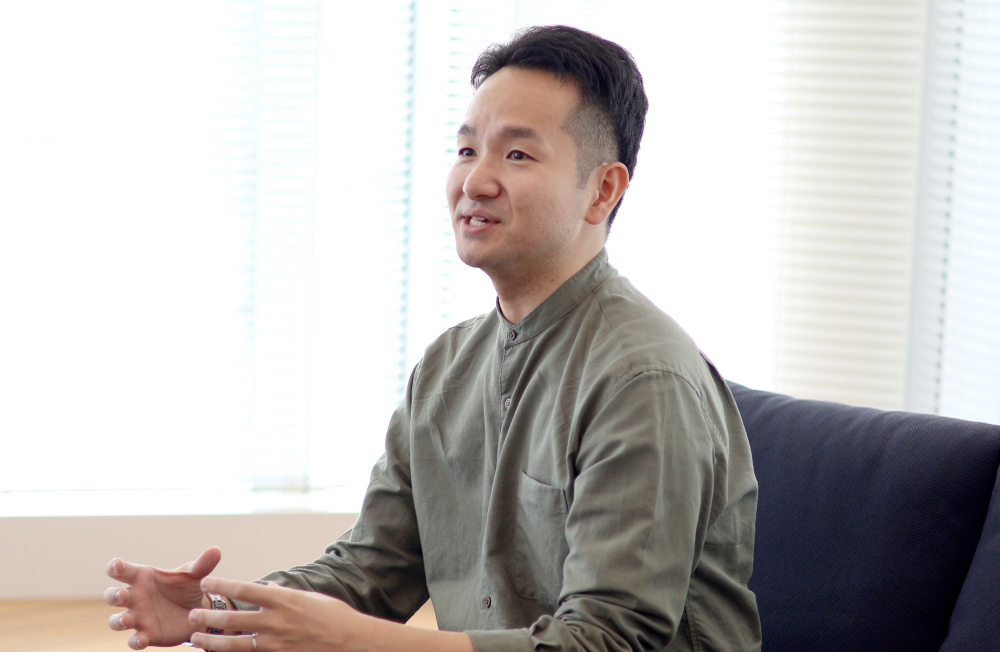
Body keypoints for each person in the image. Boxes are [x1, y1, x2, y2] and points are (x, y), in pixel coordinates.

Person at [105, 25, 761, 652]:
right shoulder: (449, 365)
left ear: (603, 190)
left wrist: (363, 643)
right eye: (467, 150)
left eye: (517, 154)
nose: (475, 182)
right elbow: (374, 566)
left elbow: (606, 640)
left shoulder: (642, 380)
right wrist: (215, 610)